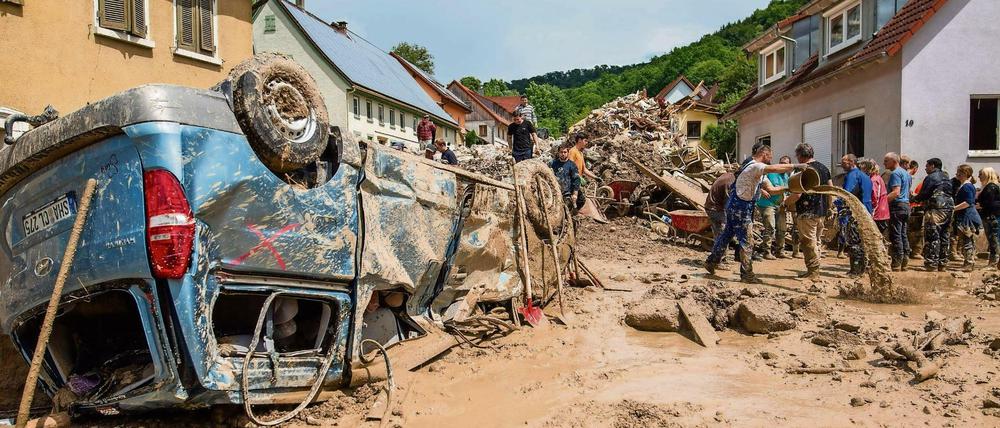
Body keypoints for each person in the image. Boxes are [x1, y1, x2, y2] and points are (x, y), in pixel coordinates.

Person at [704, 143, 801, 283]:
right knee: (747, 241)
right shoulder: (755, 165)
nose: (771, 159)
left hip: (737, 205)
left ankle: (711, 262)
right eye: (770, 157)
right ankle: (747, 274)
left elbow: (772, 189)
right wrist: (796, 166)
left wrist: (789, 188)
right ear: (765, 154)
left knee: (726, 236)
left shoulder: (758, 171)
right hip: (740, 207)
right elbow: (773, 168)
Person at [784, 143, 834, 280]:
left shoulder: (804, 170)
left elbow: (797, 194)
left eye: (797, 156)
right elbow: (830, 189)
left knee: (808, 242)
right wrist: (829, 207)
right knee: (816, 241)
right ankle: (815, 269)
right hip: (821, 212)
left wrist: (785, 203)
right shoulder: (824, 168)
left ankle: (813, 272)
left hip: (807, 212)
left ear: (800, 155)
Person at [912, 158, 954, 271]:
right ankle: (943, 263)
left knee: (932, 235)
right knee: (944, 235)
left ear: (933, 165)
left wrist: (914, 198)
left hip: (936, 208)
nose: (925, 168)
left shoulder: (931, 177)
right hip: (949, 207)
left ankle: (932, 263)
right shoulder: (946, 177)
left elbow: (924, 194)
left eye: (927, 166)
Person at [838, 154, 873, 277]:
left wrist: (836, 203)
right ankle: (863, 269)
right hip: (867, 211)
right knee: (863, 242)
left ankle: (855, 271)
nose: (841, 164)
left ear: (852, 162)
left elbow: (847, 194)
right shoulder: (866, 176)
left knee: (854, 242)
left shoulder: (852, 175)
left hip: (856, 213)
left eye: (844, 162)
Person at [756, 156, 791, 259]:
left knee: (782, 229)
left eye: (785, 163)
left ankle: (780, 251)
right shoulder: (771, 172)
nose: (783, 165)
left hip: (780, 205)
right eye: (781, 163)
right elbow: (756, 181)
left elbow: (788, 192)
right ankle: (766, 252)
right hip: (767, 204)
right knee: (770, 227)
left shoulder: (787, 177)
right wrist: (761, 190)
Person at [883, 152, 912, 271]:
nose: (884, 163)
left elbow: (896, 192)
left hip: (897, 206)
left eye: (886, 161)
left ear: (894, 161)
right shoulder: (906, 174)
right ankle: (905, 260)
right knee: (903, 234)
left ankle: (896, 263)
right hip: (906, 205)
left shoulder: (895, 173)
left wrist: (882, 202)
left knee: (896, 234)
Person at [952, 164, 982, 271]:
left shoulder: (967, 186)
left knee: (967, 241)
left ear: (965, 173)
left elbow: (968, 202)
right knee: (967, 240)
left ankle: (968, 264)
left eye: (959, 172)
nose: (957, 174)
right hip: (965, 216)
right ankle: (968, 262)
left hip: (967, 217)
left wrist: (954, 208)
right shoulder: (965, 185)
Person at [705, 167, 736, 262]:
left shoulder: (729, 177)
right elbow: (728, 202)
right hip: (715, 209)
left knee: (723, 233)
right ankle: (718, 260)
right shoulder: (729, 182)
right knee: (722, 233)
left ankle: (722, 258)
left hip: (715, 207)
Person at [977, 167, 1000, 270]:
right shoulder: (989, 186)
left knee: (993, 239)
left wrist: (980, 205)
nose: (979, 177)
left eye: (981, 174)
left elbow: (991, 203)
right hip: (989, 216)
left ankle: (994, 263)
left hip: (991, 217)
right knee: (992, 239)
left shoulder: (991, 187)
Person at [568, 133, 598, 209]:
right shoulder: (572, 151)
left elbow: (584, 169)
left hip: (577, 181)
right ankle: (571, 215)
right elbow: (569, 166)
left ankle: (572, 215)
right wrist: (577, 176)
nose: (586, 143)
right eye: (585, 141)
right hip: (571, 181)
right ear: (579, 140)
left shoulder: (580, 153)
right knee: (579, 200)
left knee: (579, 200)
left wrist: (595, 177)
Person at [861, 159, 890, 235]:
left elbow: (874, 197)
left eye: (863, 169)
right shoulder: (878, 177)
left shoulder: (873, 180)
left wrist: (870, 211)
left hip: (878, 213)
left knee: (876, 236)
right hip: (882, 212)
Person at [550, 142, 581, 212]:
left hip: (567, 194)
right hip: (555, 192)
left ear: (568, 153)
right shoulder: (553, 164)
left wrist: (575, 194)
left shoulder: (572, 165)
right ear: (558, 153)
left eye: (565, 152)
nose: (563, 154)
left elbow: (576, 179)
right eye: (561, 152)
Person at [904, 157, 925, 260]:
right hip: (910, 207)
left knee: (907, 231)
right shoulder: (908, 176)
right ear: (915, 168)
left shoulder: (904, 175)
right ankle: (913, 252)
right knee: (914, 231)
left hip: (908, 205)